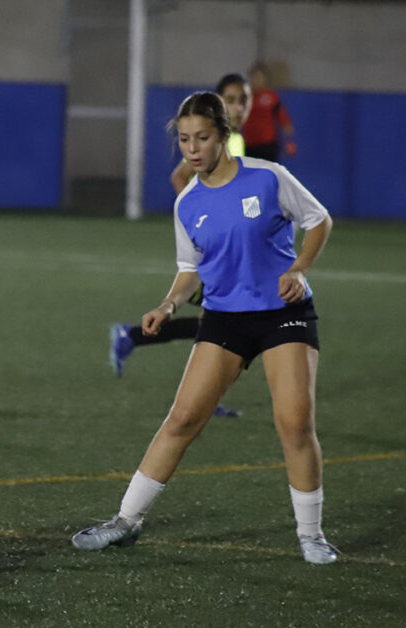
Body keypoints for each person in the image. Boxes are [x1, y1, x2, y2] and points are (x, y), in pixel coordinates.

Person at [73, 91, 337, 564]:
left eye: (202, 138)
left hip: (282, 312)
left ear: (223, 136)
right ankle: (126, 521)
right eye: (184, 140)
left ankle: (311, 535)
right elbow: (191, 266)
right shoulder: (187, 202)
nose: (192, 149)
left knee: (294, 423)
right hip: (224, 318)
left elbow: (319, 221)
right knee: (182, 419)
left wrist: (298, 269)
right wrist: (169, 303)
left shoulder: (267, 177)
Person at [111, 73, 252, 418]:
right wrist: (200, 221)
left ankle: (134, 339)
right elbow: (180, 177)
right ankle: (196, 394)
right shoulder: (216, 142)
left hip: (227, 251)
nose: (239, 107)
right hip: (212, 252)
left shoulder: (235, 141)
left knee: (217, 325)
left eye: (244, 100)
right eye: (231, 100)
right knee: (221, 325)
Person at [242, 62, 296, 162]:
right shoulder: (244, 97)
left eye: (259, 77)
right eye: (254, 77)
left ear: (265, 79)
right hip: (249, 145)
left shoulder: (271, 97)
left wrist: (290, 141)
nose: (256, 81)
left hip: (267, 146)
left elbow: (284, 120)